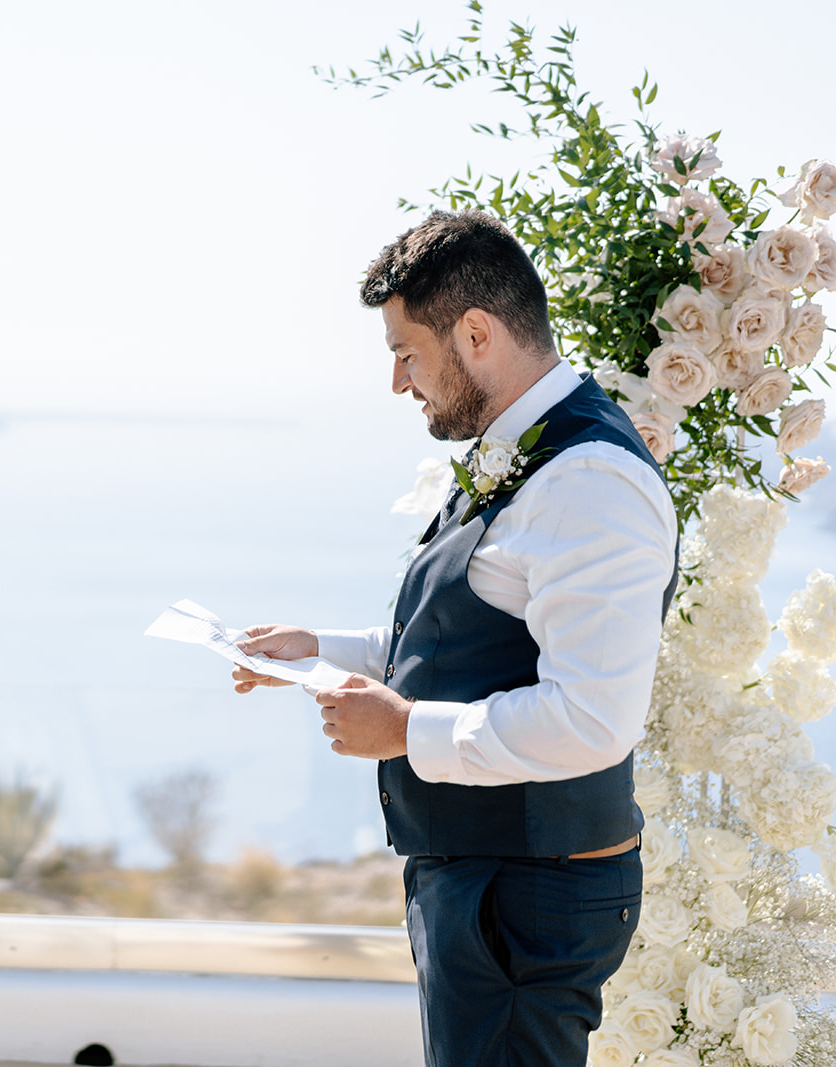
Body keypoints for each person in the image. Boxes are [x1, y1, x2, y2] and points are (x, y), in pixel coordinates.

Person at [232, 210, 678, 1067]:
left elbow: (593, 718)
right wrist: (317, 650)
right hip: (491, 882)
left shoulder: (591, 480)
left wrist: (404, 731)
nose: (400, 383)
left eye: (408, 353)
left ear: (476, 333)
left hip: (526, 896)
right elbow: (471, 635)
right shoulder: (524, 453)